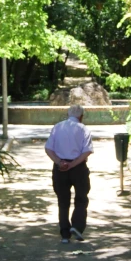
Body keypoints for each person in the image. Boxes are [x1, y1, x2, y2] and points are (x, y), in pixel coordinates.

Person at [45, 104, 93, 244]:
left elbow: (48, 148)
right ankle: (77, 227)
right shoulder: (83, 129)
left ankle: (65, 234)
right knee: (81, 198)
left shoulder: (57, 127)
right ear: (81, 116)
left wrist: (60, 162)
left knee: (63, 201)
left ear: (68, 114)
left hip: (60, 169)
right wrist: (73, 164)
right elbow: (87, 151)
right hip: (78, 168)